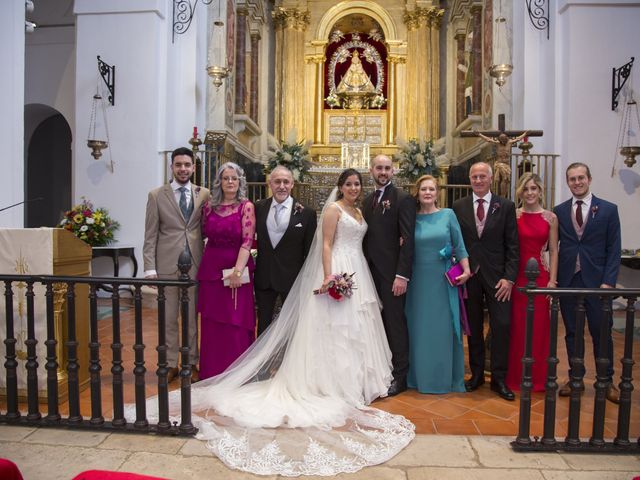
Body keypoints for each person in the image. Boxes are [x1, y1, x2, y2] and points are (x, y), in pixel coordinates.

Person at [137, 169, 415, 476]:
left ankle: (355, 380)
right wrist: (328, 275)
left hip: (349, 270)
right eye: (348, 183)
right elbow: (319, 245)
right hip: (287, 275)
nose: (353, 187)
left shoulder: (350, 212)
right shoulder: (259, 208)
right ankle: (264, 371)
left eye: (356, 184)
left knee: (353, 328)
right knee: (278, 327)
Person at [553, 162, 621, 403]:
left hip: (597, 282)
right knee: (572, 332)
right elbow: (553, 246)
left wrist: (609, 282)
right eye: (572, 179)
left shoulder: (608, 210)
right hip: (569, 280)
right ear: (567, 182)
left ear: (589, 179)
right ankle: (576, 379)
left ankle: (606, 381)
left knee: (601, 332)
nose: (577, 182)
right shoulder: (559, 211)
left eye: (581, 178)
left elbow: (614, 249)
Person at [452, 162, 519, 401]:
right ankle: (477, 374)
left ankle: (499, 378)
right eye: (474, 177)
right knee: (474, 327)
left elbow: (513, 246)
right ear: (469, 180)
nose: (478, 180)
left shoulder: (506, 206)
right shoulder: (458, 206)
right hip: (470, 275)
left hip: (498, 278)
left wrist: (509, 278)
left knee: (501, 325)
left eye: (482, 176)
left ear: (490, 179)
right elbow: (454, 240)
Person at [143, 147, 210, 383]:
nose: (183, 169)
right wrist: (150, 268)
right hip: (167, 263)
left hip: (194, 263)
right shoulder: (156, 195)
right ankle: (170, 362)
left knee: (191, 317)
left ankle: (191, 363)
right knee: (168, 317)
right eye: (178, 165)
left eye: (187, 165)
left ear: (193, 168)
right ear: (171, 167)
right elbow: (150, 234)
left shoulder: (204, 194)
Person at [405, 175, 472, 393]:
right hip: (417, 281)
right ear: (418, 192)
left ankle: (444, 378)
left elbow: (459, 245)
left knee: (442, 328)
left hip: (442, 281)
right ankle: (418, 377)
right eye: (423, 189)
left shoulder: (448, 215)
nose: (427, 192)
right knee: (419, 327)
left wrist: (467, 270)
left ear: (437, 192)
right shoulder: (411, 218)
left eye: (431, 189)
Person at [362, 154, 416, 396]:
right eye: (378, 168)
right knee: (376, 323)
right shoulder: (367, 200)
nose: (382, 172)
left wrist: (402, 275)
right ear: (371, 170)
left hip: (393, 275)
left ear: (393, 171)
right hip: (369, 273)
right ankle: (381, 369)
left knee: (395, 324)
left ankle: (401, 375)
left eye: (387, 168)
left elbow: (408, 239)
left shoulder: (402, 199)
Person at [196, 162, 256, 380]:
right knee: (212, 324)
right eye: (226, 178)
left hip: (236, 271)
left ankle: (236, 375)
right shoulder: (209, 207)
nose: (230, 182)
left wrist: (237, 272)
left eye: (234, 178)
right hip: (211, 271)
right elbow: (204, 233)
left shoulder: (246, 206)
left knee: (235, 322)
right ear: (219, 182)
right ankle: (211, 372)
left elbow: (247, 241)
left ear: (240, 182)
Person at [505, 173, 558, 392]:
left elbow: (554, 251)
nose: (529, 193)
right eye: (525, 189)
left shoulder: (550, 218)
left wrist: (553, 281)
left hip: (541, 278)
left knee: (539, 328)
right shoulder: (513, 215)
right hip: (518, 276)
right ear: (520, 191)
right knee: (518, 327)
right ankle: (516, 377)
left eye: (534, 188)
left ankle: (538, 378)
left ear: (540, 191)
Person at [254, 165, 316, 335]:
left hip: (292, 279)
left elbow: (310, 250)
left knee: (293, 325)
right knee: (263, 324)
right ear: (269, 183)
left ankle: (289, 359)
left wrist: (307, 279)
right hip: (264, 276)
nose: (282, 186)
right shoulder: (258, 208)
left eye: (286, 182)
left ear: (292, 184)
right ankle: (264, 361)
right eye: (277, 182)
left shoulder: (307, 213)